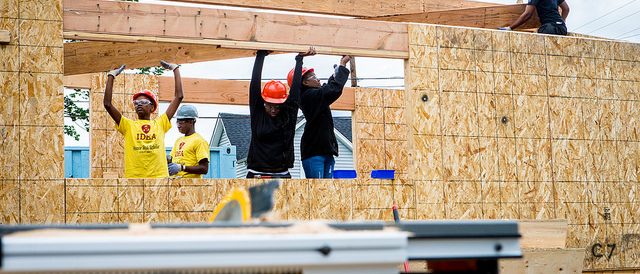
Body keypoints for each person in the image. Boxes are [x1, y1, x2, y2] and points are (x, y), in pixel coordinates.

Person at [103, 61, 183, 178]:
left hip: (159, 178)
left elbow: (179, 96)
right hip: (135, 179)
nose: (139, 105)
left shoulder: (160, 123)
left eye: (144, 102)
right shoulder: (128, 125)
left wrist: (175, 69)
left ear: (152, 108)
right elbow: (107, 104)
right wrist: (111, 75)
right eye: (136, 103)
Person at [246, 47, 316, 178]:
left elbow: (295, 89)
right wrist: (260, 56)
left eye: (277, 106)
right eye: (270, 106)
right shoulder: (258, 114)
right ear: (264, 102)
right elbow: (254, 84)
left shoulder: (288, 115)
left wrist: (299, 59)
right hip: (257, 173)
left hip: (281, 173)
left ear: (283, 103)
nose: (273, 109)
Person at [288, 55, 351, 178]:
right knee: (317, 191)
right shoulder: (308, 97)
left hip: (326, 151)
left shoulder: (315, 95)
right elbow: (332, 90)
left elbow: (326, 89)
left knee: (326, 192)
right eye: (314, 77)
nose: (318, 79)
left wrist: (335, 75)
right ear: (305, 82)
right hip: (314, 153)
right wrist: (342, 66)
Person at [167, 105, 210, 178]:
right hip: (177, 185)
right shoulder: (178, 141)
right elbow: (171, 159)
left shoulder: (199, 141)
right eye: (177, 122)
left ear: (191, 122)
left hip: (191, 185)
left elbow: (204, 168)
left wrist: (182, 168)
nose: (178, 125)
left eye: (181, 122)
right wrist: (166, 159)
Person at [500, 0, 569, 35]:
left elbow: (527, 14)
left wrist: (510, 28)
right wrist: (561, 22)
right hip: (562, 28)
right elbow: (566, 9)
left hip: (549, 28)